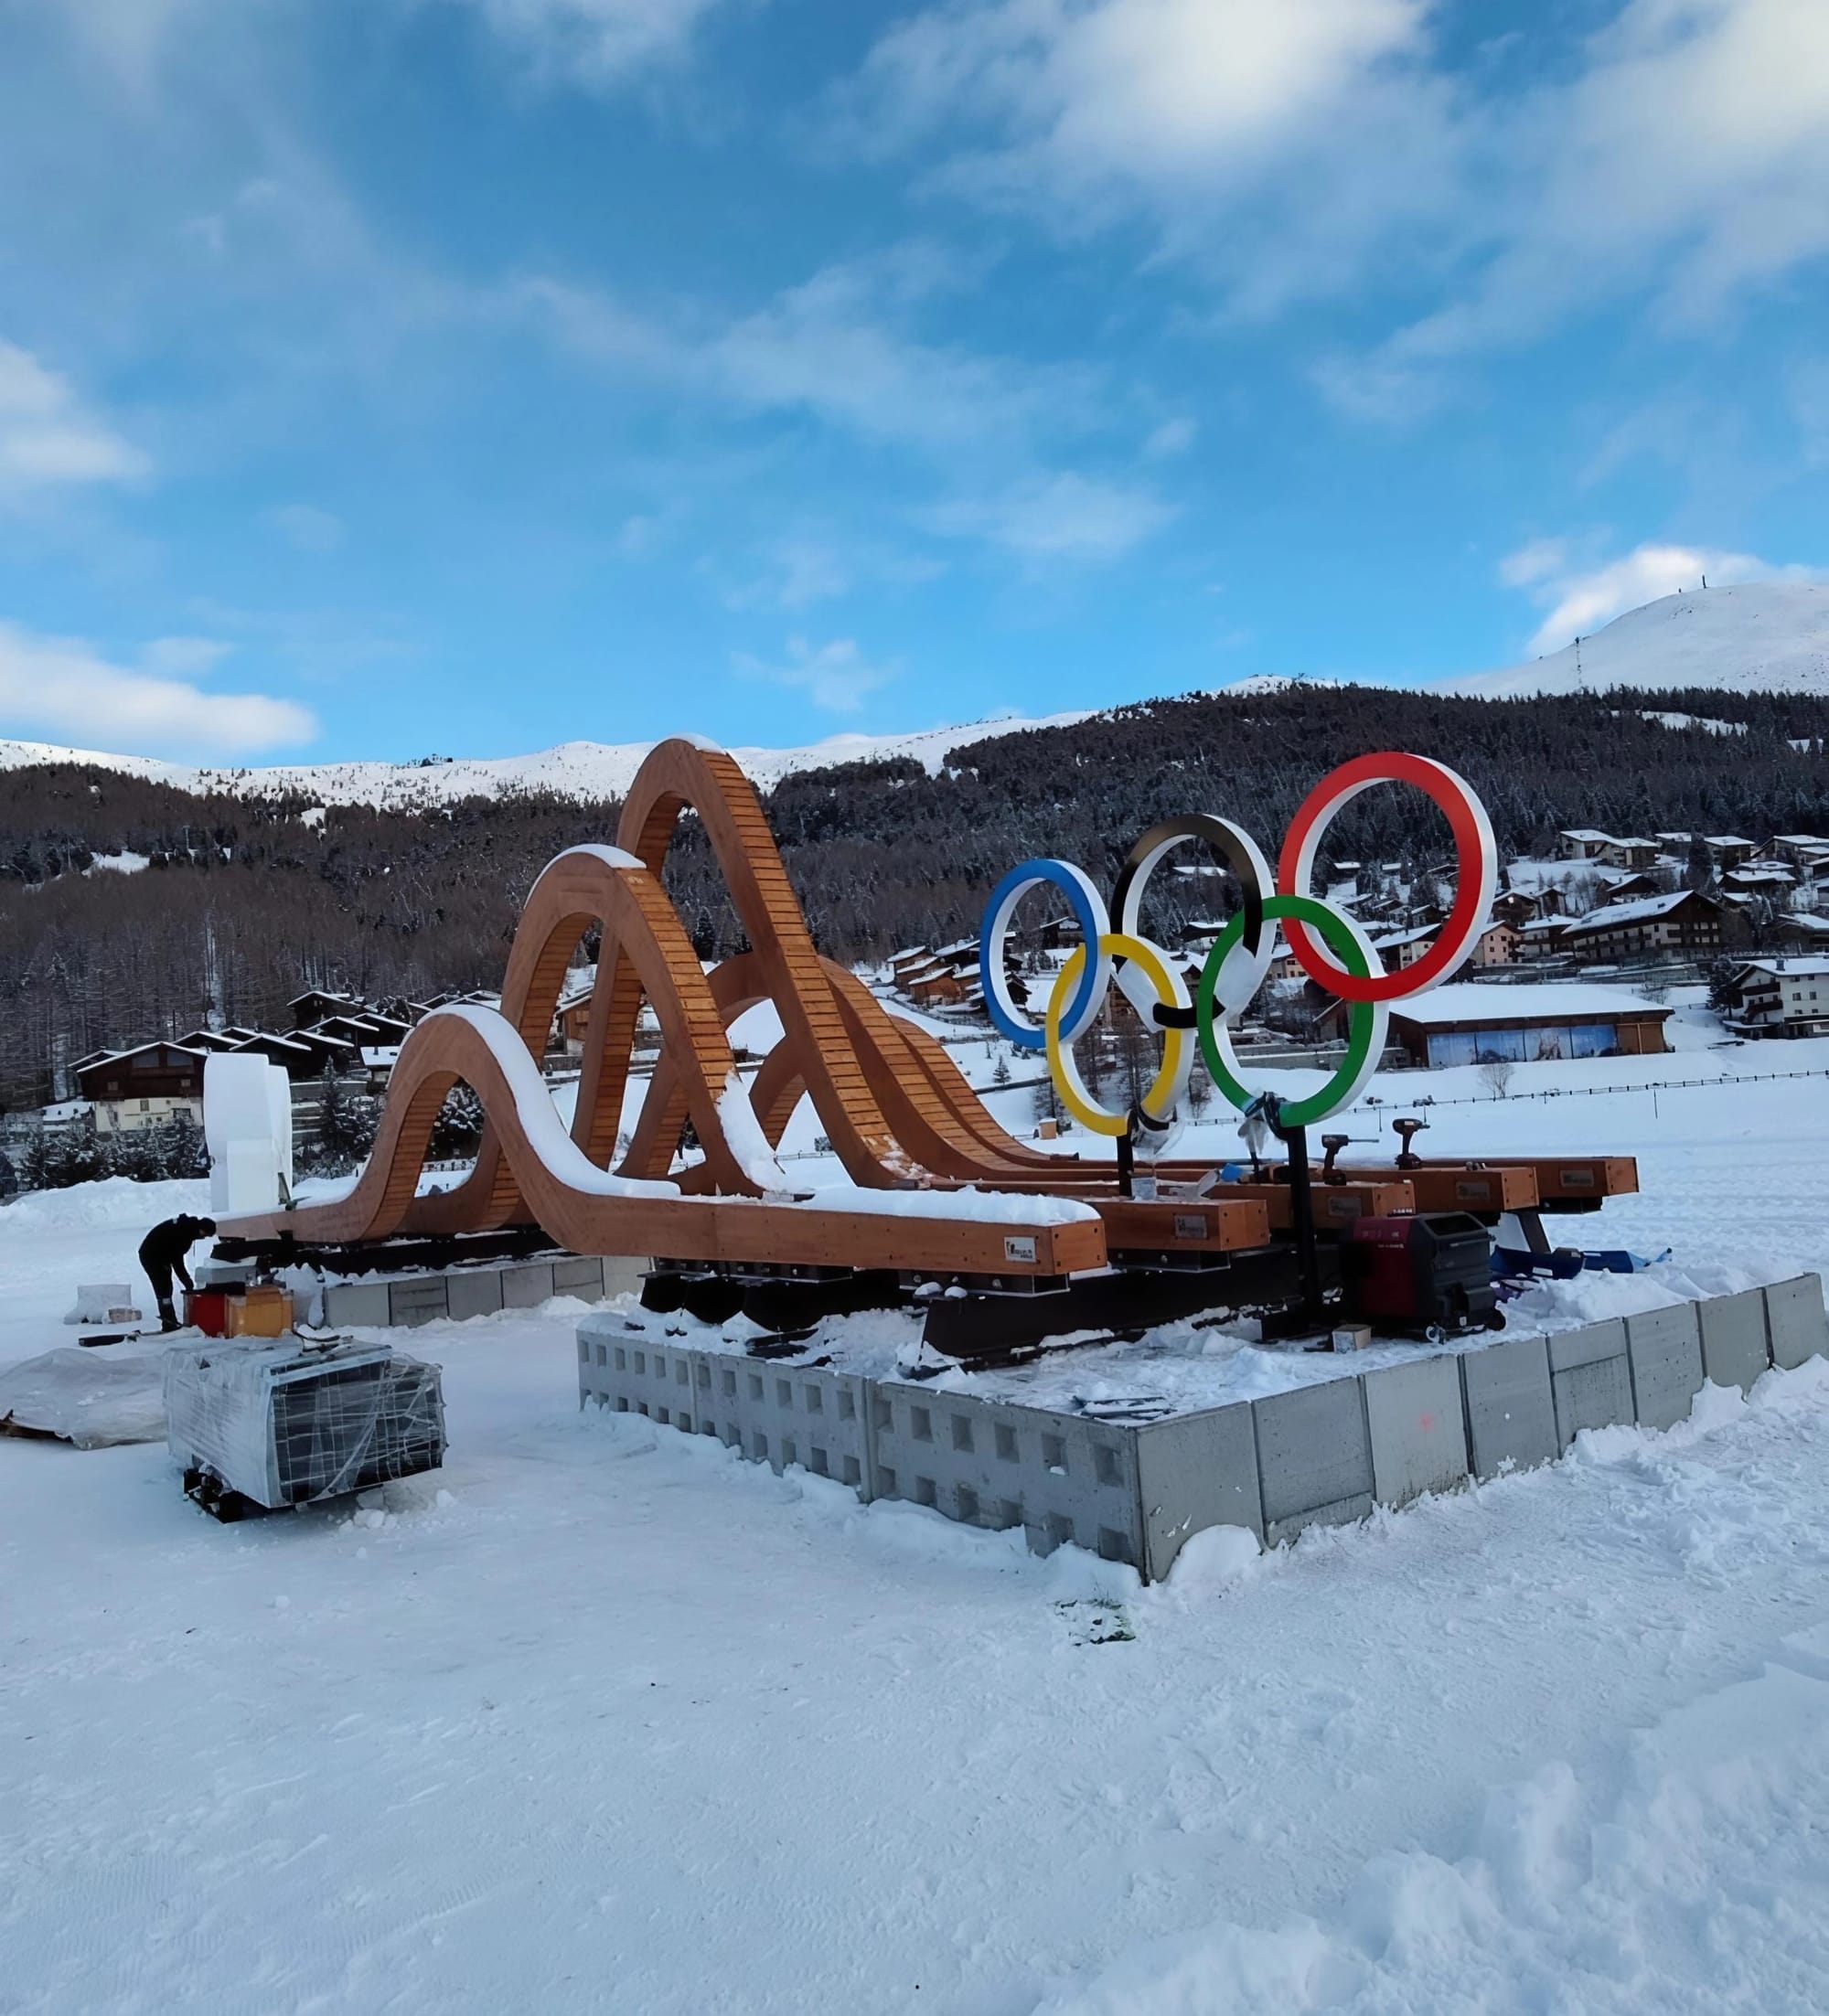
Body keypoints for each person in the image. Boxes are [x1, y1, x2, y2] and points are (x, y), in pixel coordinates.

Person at [138, 1214, 218, 1332]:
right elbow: (177, 1260)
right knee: (163, 1287)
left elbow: (175, 1256)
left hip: (160, 1255)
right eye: (204, 1235)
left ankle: (169, 1320)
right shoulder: (184, 1233)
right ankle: (168, 1322)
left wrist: (185, 1280)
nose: (203, 1238)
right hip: (151, 1256)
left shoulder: (187, 1228)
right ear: (201, 1229)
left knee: (166, 1286)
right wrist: (186, 1280)